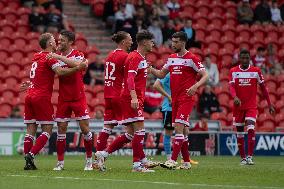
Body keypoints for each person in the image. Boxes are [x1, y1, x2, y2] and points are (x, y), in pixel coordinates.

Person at [95, 30, 159, 173]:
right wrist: (135, 97)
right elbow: (130, 78)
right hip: (128, 97)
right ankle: (137, 165)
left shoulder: (129, 57)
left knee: (129, 133)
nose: (153, 44)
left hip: (115, 94)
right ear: (144, 42)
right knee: (140, 131)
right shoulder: (133, 57)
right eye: (151, 41)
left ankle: (103, 154)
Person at [21, 33, 86, 170]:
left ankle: (27, 160)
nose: (56, 42)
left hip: (29, 95)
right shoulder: (49, 57)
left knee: (30, 130)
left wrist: (30, 84)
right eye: (54, 40)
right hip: (41, 97)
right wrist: (77, 68)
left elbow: (39, 74)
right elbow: (60, 72)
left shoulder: (36, 56)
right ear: (50, 44)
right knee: (47, 130)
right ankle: (31, 155)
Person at [149, 31, 208, 170]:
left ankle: (173, 160)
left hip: (186, 98)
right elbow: (161, 74)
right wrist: (151, 69)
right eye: (172, 41)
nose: (173, 44)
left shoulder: (191, 58)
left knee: (178, 129)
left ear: (183, 42)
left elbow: (206, 75)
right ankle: (186, 162)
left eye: (176, 42)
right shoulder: (171, 58)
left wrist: (196, 86)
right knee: (181, 130)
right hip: (174, 100)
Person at [46, 30, 92, 171]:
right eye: (59, 40)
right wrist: (56, 55)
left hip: (78, 97)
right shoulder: (56, 56)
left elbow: (77, 63)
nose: (59, 42)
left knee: (85, 129)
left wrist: (58, 56)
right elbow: (64, 70)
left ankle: (89, 160)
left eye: (63, 40)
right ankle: (60, 163)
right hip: (63, 98)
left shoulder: (78, 54)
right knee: (61, 128)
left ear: (71, 42)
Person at [229, 49, 275, 165]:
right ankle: (243, 158)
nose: (245, 60)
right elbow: (231, 87)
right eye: (243, 58)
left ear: (250, 59)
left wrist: (269, 104)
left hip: (251, 106)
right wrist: (235, 97)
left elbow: (264, 88)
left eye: (247, 58)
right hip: (238, 107)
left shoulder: (256, 71)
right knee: (239, 132)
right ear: (239, 58)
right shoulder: (233, 71)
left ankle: (250, 156)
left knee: (250, 128)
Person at [94, 31, 132, 164]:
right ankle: (105, 153)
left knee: (107, 127)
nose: (131, 42)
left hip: (108, 95)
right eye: (129, 39)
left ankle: (98, 159)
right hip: (119, 96)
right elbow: (130, 77)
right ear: (123, 42)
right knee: (132, 131)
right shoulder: (125, 56)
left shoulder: (110, 55)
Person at [153, 73, 173, 160]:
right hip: (169, 107)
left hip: (180, 107)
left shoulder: (181, 72)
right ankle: (169, 158)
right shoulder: (167, 74)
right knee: (169, 133)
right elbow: (156, 85)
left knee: (185, 132)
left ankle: (185, 159)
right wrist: (168, 96)